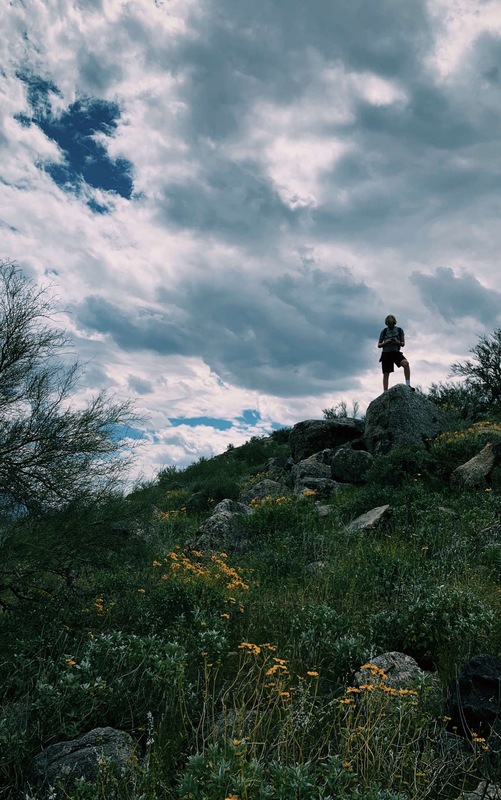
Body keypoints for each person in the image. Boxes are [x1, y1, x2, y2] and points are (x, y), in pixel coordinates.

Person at [378, 314, 415, 392]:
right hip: (386, 354)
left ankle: (408, 384)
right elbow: (379, 345)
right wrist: (386, 342)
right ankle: (385, 392)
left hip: (396, 353)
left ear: (394, 323)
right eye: (389, 325)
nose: (391, 326)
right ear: (387, 324)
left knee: (406, 363)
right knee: (386, 373)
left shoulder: (399, 330)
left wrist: (397, 342)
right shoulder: (384, 331)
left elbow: (403, 343)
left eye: (392, 325)